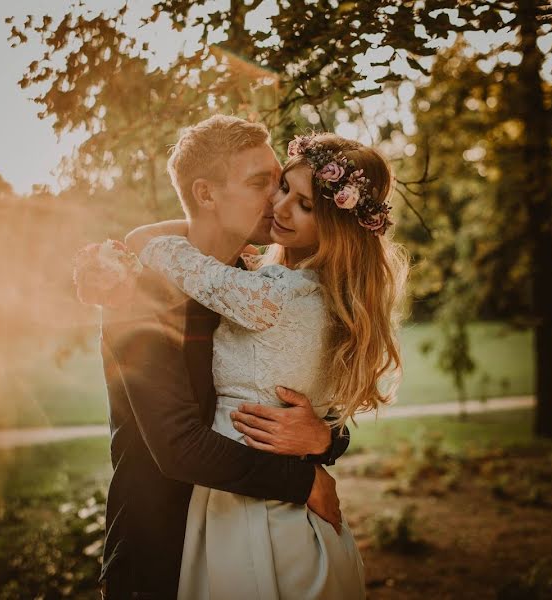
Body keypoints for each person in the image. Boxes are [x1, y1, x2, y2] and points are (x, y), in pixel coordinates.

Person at [127, 131, 410, 599]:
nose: (278, 207)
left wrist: (146, 238)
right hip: (221, 499)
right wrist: (317, 455)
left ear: (335, 225)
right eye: (280, 188)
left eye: (303, 204)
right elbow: (177, 444)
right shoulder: (300, 287)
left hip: (252, 500)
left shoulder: (269, 292)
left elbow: (186, 264)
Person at [92, 116, 352, 599]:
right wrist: (304, 480)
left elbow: (292, 394)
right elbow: (177, 445)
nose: (277, 200)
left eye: (279, 183)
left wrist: (326, 440)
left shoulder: (253, 285)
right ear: (206, 194)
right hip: (160, 551)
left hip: (247, 538)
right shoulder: (140, 294)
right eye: (261, 184)